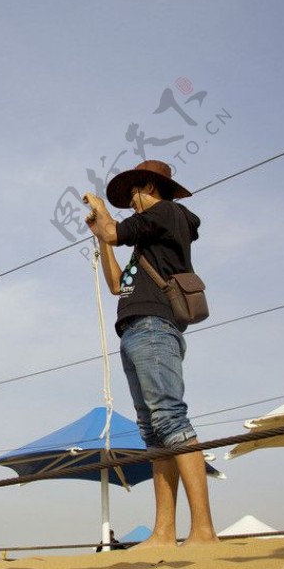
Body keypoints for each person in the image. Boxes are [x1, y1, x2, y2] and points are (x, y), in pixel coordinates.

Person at [83, 160, 218, 549]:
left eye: (131, 196)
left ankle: (203, 531)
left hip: (154, 327)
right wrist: (100, 237)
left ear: (148, 187)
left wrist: (103, 212)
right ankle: (163, 532)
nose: (129, 204)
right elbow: (114, 285)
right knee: (154, 432)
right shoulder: (147, 241)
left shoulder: (167, 213)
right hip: (136, 330)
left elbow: (114, 229)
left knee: (171, 420)